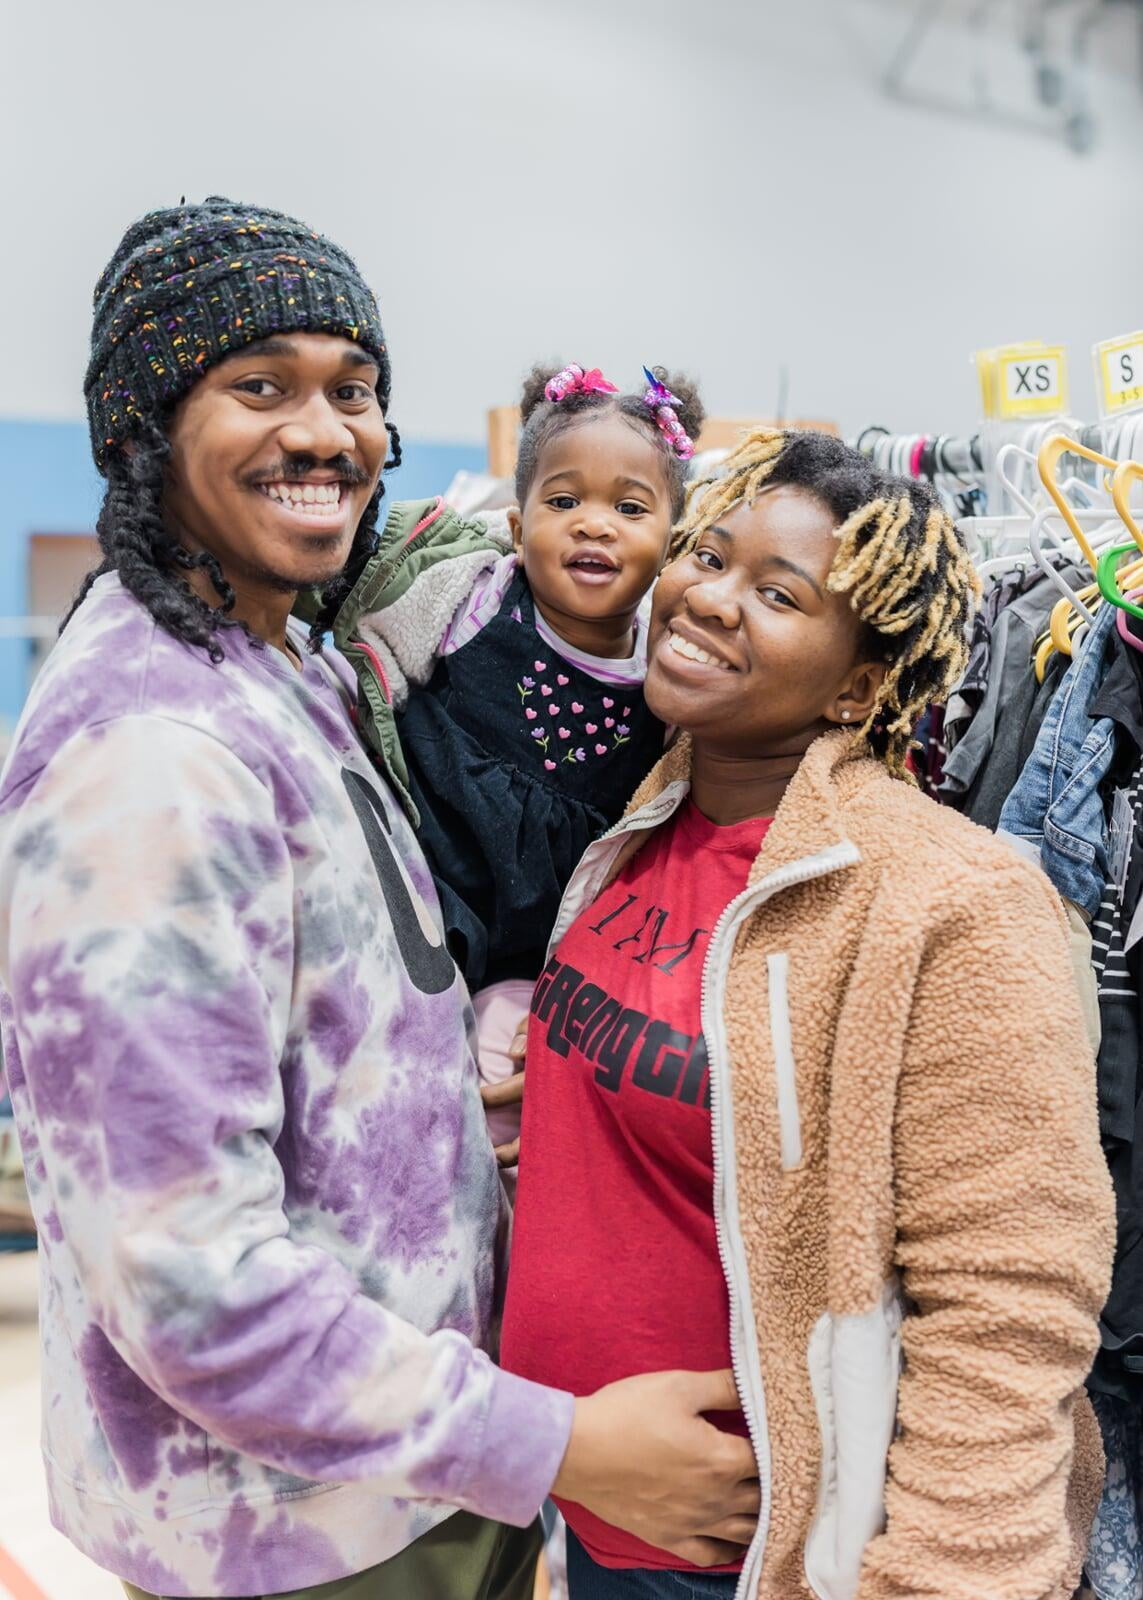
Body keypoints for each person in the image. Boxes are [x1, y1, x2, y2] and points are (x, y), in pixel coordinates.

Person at [0, 198, 758, 1600]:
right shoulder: (151, 758)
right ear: (143, 423)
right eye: (259, 385)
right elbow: (189, 1285)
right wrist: (561, 1443)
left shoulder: (284, 661)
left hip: (404, 1476)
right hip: (289, 1532)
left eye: (352, 390)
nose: (323, 431)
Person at [500, 429, 1117, 1600]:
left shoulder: (952, 902)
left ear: (861, 684)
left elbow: (1009, 1305)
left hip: (758, 1559)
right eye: (710, 555)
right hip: (595, 1518)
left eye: (778, 594)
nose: (708, 599)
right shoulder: (645, 810)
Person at [322, 361, 703, 1159]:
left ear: (673, 532)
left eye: (629, 508)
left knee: (502, 1108)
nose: (593, 524)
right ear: (517, 515)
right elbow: (364, 643)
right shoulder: (468, 598)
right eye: (562, 502)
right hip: (427, 893)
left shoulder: (669, 674)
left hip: (546, 946)